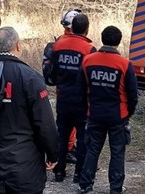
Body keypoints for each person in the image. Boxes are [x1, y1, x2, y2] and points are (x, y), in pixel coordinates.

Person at [0, 27, 59, 194]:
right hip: (26, 165)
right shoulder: (30, 78)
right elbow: (44, 123)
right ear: (18, 45)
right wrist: (53, 154)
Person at [78, 26, 138, 194]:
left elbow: (81, 90)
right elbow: (132, 95)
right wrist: (129, 113)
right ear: (119, 42)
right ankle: (116, 188)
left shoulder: (88, 61)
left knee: (92, 149)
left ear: (102, 39)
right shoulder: (125, 64)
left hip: (95, 114)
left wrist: (86, 112)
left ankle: (85, 185)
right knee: (117, 152)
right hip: (118, 116)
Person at [50, 14, 97, 182]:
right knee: (83, 139)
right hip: (82, 102)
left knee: (62, 137)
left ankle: (59, 171)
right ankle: (79, 174)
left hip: (63, 98)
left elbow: (53, 72)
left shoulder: (58, 45)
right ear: (86, 29)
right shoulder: (89, 49)